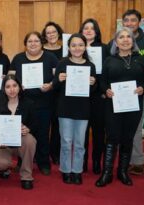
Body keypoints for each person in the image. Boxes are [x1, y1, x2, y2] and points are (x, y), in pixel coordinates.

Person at [96, 27, 144, 187]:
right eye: (121, 37)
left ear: (133, 42)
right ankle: (107, 173)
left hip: (134, 106)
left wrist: (143, 88)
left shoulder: (140, 59)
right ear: (116, 42)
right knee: (112, 138)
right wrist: (106, 90)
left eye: (129, 37)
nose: (125, 39)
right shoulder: (109, 60)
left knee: (127, 138)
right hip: (113, 106)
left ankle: (122, 172)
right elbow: (102, 82)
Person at [109, 10, 144, 175]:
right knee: (119, 129)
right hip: (118, 95)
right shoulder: (114, 42)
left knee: (135, 128)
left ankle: (138, 160)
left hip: (137, 93)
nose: (129, 23)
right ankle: (123, 162)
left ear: (139, 22)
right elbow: (109, 64)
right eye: (126, 20)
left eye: (133, 20)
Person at [9, 31, 58, 175]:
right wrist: (17, 85)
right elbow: (11, 77)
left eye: (36, 41)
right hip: (22, 103)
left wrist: (50, 85)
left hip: (44, 102)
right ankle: (21, 162)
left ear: (41, 43)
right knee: (22, 134)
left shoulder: (50, 57)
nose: (33, 44)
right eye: (30, 41)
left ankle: (43, 163)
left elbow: (57, 79)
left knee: (43, 134)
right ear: (25, 44)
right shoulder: (18, 58)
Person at [52, 33, 96, 184]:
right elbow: (55, 87)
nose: (77, 48)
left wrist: (93, 83)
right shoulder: (62, 63)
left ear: (85, 47)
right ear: (69, 48)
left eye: (80, 45)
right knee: (66, 141)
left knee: (79, 143)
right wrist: (58, 79)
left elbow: (94, 90)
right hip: (65, 108)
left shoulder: (90, 66)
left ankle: (77, 171)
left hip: (83, 109)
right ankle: (65, 170)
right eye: (74, 45)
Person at [0, 75, 37, 190]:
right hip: (3, 145)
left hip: (21, 141)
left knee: (30, 140)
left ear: (19, 87)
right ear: (3, 89)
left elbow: (36, 124)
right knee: (0, 164)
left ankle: (26, 176)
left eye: (14, 86)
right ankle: (6, 168)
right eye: (8, 87)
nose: (12, 90)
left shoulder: (29, 103)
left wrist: (28, 129)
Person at [79, 18, 109, 174]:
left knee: (98, 132)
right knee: (82, 132)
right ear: (81, 31)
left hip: (99, 96)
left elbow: (108, 71)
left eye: (92, 28)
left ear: (96, 32)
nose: (89, 31)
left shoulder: (104, 48)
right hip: (80, 96)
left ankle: (97, 162)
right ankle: (82, 162)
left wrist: (104, 89)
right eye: (85, 28)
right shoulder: (76, 48)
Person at [41, 21, 64, 165]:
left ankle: (55, 152)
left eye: (54, 32)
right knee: (42, 125)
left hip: (60, 92)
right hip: (42, 92)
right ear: (44, 35)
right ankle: (40, 153)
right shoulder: (39, 49)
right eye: (48, 33)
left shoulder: (66, 50)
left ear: (59, 33)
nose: (51, 35)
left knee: (57, 124)